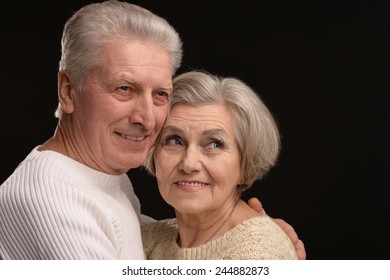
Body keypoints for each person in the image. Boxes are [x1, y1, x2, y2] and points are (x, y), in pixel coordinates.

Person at [0, 0, 305, 260]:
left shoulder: (102, 178)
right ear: (68, 91)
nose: (147, 119)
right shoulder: (50, 196)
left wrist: (252, 235)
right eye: (124, 88)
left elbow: (130, 237)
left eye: (160, 94)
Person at [141, 70, 298, 259]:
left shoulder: (259, 253)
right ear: (153, 153)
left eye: (214, 144)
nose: (189, 164)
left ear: (245, 162)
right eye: (174, 140)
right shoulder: (148, 239)